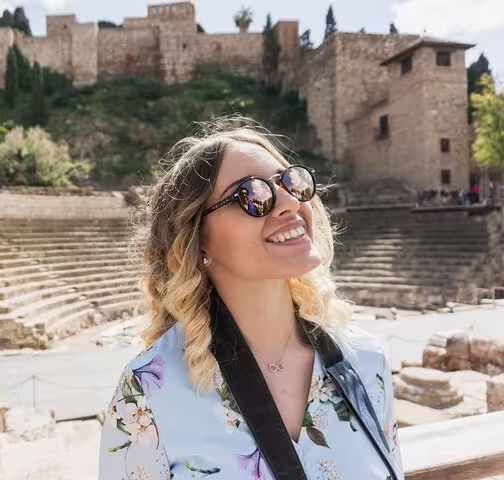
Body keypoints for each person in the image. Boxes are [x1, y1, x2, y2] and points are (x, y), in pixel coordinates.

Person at [98, 117, 404, 480]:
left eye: (293, 182)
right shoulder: (146, 394)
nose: (290, 202)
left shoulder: (367, 362)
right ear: (197, 241)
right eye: (254, 194)